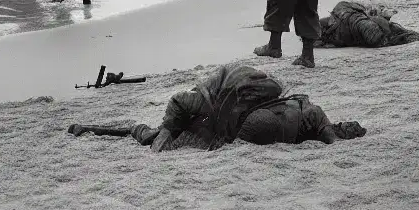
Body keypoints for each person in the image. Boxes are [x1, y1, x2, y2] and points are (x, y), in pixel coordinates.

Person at [73, 63, 365, 149]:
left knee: (154, 136)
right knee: (151, 135)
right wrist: (167, 132)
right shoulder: (202, 100)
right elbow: (177, 101)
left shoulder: (297, 113)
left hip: (226, 121)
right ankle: (96, 129)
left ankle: (100, 129)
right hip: (214, 115)